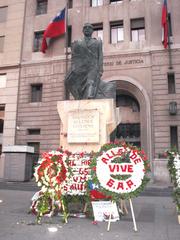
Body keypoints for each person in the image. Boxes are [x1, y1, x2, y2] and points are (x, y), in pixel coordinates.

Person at [65, 23, 116, 100]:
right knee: (67, 81)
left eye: (89, 28)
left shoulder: (97, 42)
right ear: (82, 30)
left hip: (93, 68)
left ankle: (89, 98)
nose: (87, 29)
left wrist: (100, 70)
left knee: (90, 83)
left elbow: (100, 56)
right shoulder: (78, 42)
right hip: (81, 68)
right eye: (85, 27)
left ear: (92, 31)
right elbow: (74, 58)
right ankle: (78, 97)